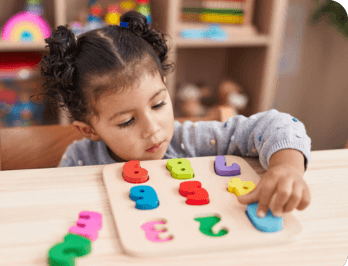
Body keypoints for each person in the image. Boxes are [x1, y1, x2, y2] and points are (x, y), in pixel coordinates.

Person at [37, 11, 312, 220]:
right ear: (90, 130)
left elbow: (280, 125)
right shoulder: (79, 160)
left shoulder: (190, 141)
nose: (153, 130)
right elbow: (64, 216)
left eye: (158, 104)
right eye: (126, 121)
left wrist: (286, 168)